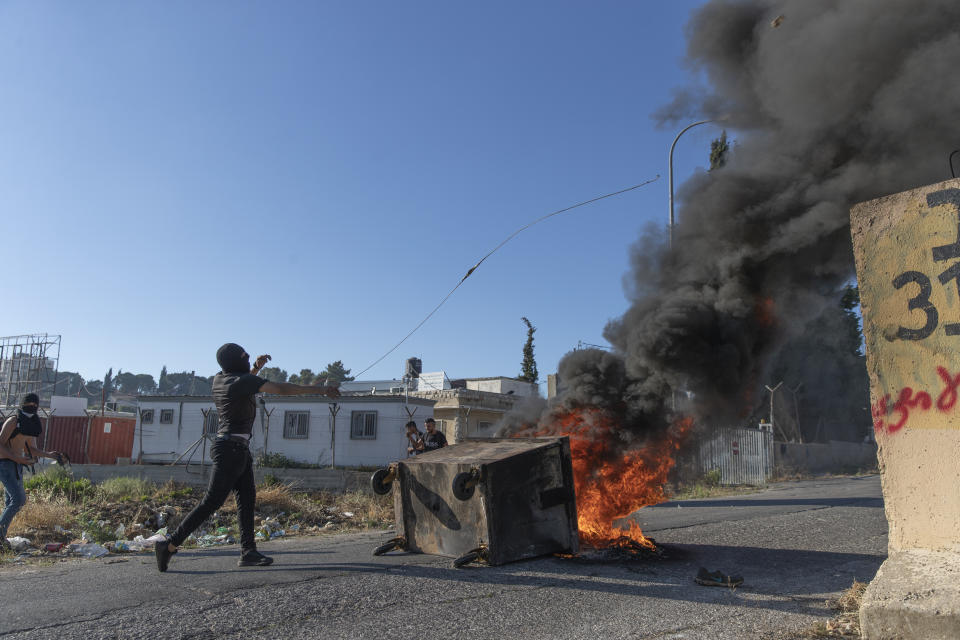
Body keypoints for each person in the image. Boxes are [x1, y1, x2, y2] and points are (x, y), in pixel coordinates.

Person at [155, 343, 339, 571]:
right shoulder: (242, 382)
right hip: (230, 450)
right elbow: (281, 389)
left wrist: (255, 369)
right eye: (245, 356)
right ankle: (170, 544)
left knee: (247, 500)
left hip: (235, 448)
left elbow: (244, 383)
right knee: (212, 501)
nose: (249, 357)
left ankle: (248, 552)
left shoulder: (220, 379)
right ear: (235, 362)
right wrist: (321, 390)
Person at [0, 393, 65, 551]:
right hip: (5, 464)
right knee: (19, 499)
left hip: (17, 466)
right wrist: (17, 458)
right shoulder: (13, 421)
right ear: (23, 404)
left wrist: (49, 455)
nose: (33, 407)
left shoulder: (31, 423)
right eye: (29, 404)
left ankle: (2, 538)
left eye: (35, 405)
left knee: (11, 502)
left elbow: (31, 448)